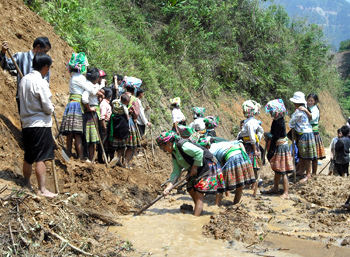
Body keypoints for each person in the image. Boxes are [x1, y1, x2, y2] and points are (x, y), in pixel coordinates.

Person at [156, 132, 225, 216]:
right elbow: (176, 171)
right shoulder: (174, 153)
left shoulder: (182, 145)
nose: (164, 150)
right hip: (195, 166)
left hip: (207, 164)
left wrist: (194, 168)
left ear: (169, 143)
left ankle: (195, 218)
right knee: (190, 188)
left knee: (199, 192)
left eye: (163, 148)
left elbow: (199, 152)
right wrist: (168, 187)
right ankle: (199, 209)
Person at [18, 53, 56, 197]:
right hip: (40, 123)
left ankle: (26, 183)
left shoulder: (24, 80)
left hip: (26, 123)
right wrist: (52, 108)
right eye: (49, 67)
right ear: (45, 67)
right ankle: (42, 189)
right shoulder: (41, 82)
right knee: (41, 157)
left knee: (28, 156)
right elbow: (46, 106)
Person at [59, 52, 102, 160]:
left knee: (70, 132)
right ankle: (81, 156)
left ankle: (68, 153)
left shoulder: (74, 77)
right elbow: (91, 89)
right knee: (77, 133)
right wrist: (98, 92)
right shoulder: (80, 78)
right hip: (77, 106)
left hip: (71, 104)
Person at [1, 37, 51, 112]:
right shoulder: (21, 56)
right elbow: (6, 65)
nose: (45, 54)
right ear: (38, 47)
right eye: (45, 51)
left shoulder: (44, 63)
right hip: (23, 98)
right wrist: (3, 52)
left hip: (37, 100)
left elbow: (46, 82)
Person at [263, 99, 293, 199]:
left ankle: (286, 193)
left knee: (283, 170)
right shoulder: (277, 120)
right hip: (279, 145)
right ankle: (275, 187)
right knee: (277, 169)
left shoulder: (280, 122)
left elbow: (275, 136)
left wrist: (268, 135)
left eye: (271, 111)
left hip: (281, 147)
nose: (270, 113)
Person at [210, 140, 256, 205]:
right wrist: (245, 156)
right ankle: (235, 204)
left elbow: (217, 168)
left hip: (231, 157)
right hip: (243, 157)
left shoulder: (211, 150)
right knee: (240, 185)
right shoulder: (226, 143)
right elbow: (240, 143)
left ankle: (216, 206)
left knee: (221, 185)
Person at [289, 91, 317, 182]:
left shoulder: (299, 112)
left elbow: (291, 123)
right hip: (305, 133)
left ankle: (308, 174)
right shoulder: (303, 109)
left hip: (305, 134)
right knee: (302, 154)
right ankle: (300, 171)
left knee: (306, 155)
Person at [111, 85, 140, 169]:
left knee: (121, 143)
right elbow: (136, 114)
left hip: (118, 122)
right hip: (129, 122)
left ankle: (118, 159)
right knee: (130, 145)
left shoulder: (120, 96)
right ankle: (126, 162)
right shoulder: (134, 100)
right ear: (134, 91)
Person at [298, 93, 326, 175]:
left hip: (313, 133)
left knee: (314, 155)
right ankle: (301, 170)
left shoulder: (315, 109)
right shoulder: (308, 108)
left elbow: (311, 117)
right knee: (305, 153)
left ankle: (313, 173)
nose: (309, 102)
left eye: (311, 100)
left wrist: (305, 110)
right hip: (307, 132)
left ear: (315, 101)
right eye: (308, 100)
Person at [238, 100, 264, 182]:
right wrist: (258, 139)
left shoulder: (249, 123)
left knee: (251, 165)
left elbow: (252, 136)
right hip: (252, 145)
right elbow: (261, 131)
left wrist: (255, 147)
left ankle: (252, 184)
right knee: (252, 165)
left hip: (250, 146)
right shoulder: (254, 121)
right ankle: (252, 183)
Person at [82, 68, 104, 162]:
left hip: (92, 113)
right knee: (91, 138)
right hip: (91, 113)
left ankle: (90, 158)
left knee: (91, 137)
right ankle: (89, 158)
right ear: (97, 78)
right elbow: (84, 99)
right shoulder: (89, 86)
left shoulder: (92, 85)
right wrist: (89, 107)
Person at [109, 94, 130, 167]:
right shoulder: (124, 107)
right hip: (122, 127)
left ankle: (114, 159)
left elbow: (111, 103)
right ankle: (117, 159)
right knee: (121, 146)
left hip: (114, 123)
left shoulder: (114, 102)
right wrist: (128, 119)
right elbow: (127, 115)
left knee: (114, 145)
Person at [98, 87, 113, 163]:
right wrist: (105, 127)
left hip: (107, 125)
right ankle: (102, 159)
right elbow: (102, 117)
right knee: (104, 144)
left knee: (107, 144)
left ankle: (106, 159)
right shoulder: (104, 104)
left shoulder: (106, 103)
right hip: (105, 125)